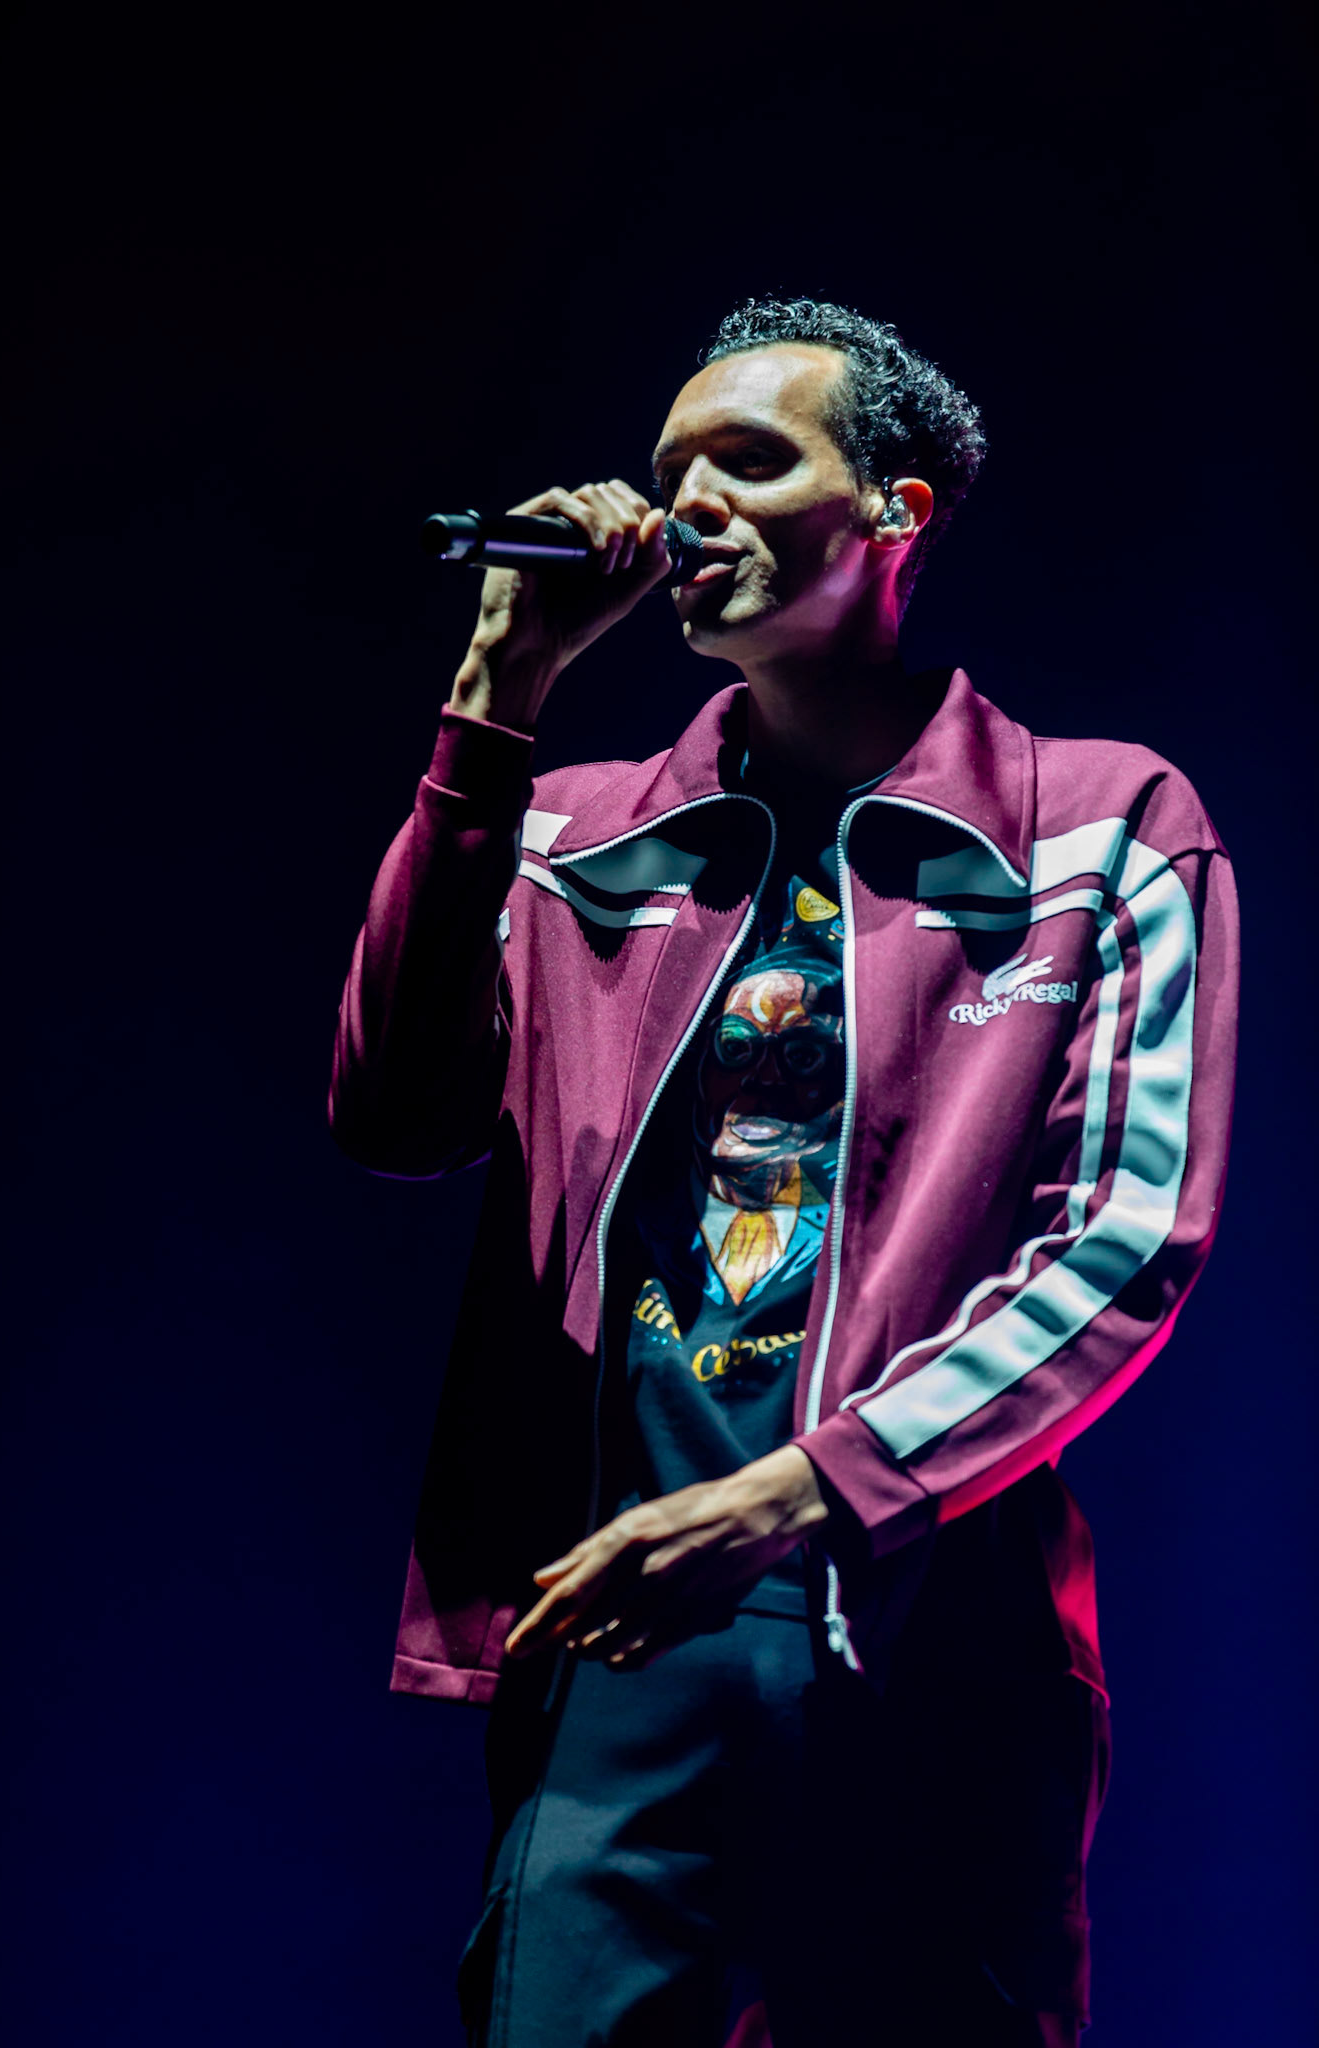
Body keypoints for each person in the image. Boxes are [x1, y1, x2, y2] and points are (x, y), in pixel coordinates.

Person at [329, 298, 1238, 2047]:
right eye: (669, 475)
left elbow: (1126, 1242)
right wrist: (494, 690)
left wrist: (796, 1494)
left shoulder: (1099, 828)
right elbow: (389, 1115)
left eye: (749, 462)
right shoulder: (574, 831)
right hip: (613, 1654)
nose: (687, 511)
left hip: (930, 1637)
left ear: (892, 512)